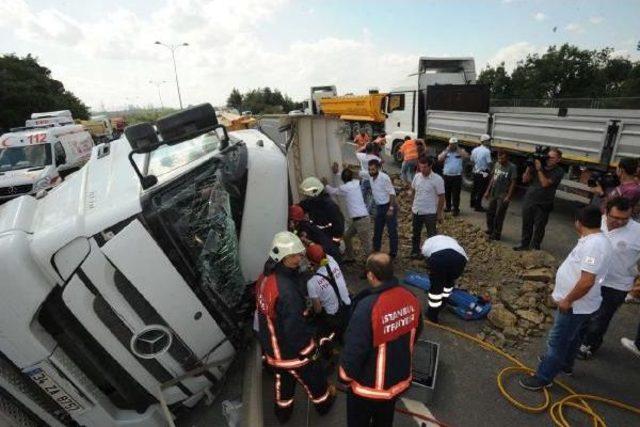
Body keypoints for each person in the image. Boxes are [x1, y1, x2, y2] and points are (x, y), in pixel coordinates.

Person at [519, 206, 612, 391]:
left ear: (578, 222)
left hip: (576, 305)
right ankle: (565, 365)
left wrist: (567, 300)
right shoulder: (594, 240)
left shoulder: (595, 245)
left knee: (557, 341)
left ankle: (543, 377)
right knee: (574, 337)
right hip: (583, 305)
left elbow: (586, 281)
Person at [256, 232, 336, 422]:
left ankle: (283, 414)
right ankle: (324, 404)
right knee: (315, 380)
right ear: (282, 257)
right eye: (295, 255)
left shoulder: (266, 277)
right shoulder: (287, 292)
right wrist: (310, 351)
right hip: (291, 353)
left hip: (273, 349)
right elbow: (294, 330)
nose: (300, 258)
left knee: (284, 384)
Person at [339, 253, 422, 427]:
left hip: (367, 389)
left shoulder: (368, 307)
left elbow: (355, 348)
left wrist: (345, 376)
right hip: (396, 382)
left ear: (370, 275)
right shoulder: (411, 298)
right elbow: (417, 330)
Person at [576, 197, 640, 359]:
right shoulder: (597, 222)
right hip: (591, 279)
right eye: (615, 218)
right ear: (606, 211)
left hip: (617, 285)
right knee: (582, 312)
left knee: (601, 318)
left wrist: (636, 285)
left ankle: (589, 345)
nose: (619, 222)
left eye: (625, 219)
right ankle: (576, 340)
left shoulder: (637, 232)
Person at [514, 148, 564, 251]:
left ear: (558, 159)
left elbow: (545, 184)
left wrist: (539, 169)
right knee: (526, 224)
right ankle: (524, 244)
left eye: (552, 157)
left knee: (539, 228)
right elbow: (524, 179)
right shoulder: (539, 165)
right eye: (548, 156)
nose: (549, 159)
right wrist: (529, 166)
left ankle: (535, 248)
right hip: (530, 199)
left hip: (544, 203)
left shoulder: (559, 171)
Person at [324, 164, 372, 263]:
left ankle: (372, 267)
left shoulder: (344, 188)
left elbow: (332, 191)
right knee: (346, 236)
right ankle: (351, 257)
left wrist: (325, 184)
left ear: (343, 179)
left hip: (360, 220)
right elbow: (350, 175)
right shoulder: (356, 183)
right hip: (360, 219)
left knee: (367, 246)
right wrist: (338, 172)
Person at [306, 244, 351, 344]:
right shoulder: (332, 260)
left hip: (333, 317)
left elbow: (318, 309)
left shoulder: (312, 283)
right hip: (348, 306)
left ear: (311, 262)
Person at [421, 235, 468, 323]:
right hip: (461, 259)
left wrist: (432, 271)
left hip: (440, 258)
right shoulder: (448, 239)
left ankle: (432, 314)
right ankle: (443, 302)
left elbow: (426, 256)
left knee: (436, 288)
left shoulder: (426, 244)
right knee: (449, 282)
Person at [409, 156, 445, 259]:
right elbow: (413, 191)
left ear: (430, 166)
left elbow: (441, 196)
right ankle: (415, 252)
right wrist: (412, 205)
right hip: (417, 211)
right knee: (416, 233)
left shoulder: (438, 179)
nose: (422, 169)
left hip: (430, 212)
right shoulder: (417, 177)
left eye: (425, 167)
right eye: (420, 167)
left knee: (432, 235)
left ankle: (432, 256)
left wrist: (439, 213)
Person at [361, 159, 398, 259]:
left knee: (391, 231)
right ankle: (376, 250)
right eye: (369, 169)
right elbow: (358, 173)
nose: (371, 171)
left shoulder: (384, 178)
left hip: (389, 205)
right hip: (379, 207)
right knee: (377, 230)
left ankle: (393, 253)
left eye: (373, 169)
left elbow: (392, 193)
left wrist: (390, 208)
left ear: (378, 168)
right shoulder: (370, 175)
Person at [484, 150, 518, 241]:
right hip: (494, 193)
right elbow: (493, 178)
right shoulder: (497, 164)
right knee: (490, 212)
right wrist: (487, 191)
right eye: (499, 157)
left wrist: (509, 196)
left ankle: (497, 234)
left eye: (502, 158)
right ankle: (490, 229)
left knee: (499, 215)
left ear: (507, 158)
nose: (500, 159)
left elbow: (513, 183)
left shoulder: (512, 167)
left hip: (503, 194)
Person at [299, 176, 345, 241]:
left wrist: (328, 241)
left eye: (307, 195)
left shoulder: (330, 207)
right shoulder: (313, 202)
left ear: (314, 193)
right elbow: (301, 206)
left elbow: (339, 230)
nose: (305, 197)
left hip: (328, 244)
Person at [437, 137, 469, 216]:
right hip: (447, 175)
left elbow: (467, 157)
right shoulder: (446, 151)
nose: (453, 146)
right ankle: (448, 207)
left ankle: (456, 209)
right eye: (451, 144)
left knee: (456, 194)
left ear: (457, 144)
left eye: (454, 144)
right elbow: (439, 159)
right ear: (449, 144)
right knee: (447, 192)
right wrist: (447, 150)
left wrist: (457, 149)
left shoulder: (461, 151)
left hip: (457, 176)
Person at [356, 143, 382, 213]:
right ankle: (368, 209)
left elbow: (357, 152)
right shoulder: (376, 158)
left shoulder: (361, 156)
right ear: (373, 150)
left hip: (364, 178)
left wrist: (363, 147)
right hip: (373, 179)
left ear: (366, 149)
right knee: (374, 195)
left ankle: (360, 208)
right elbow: (381, 164)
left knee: (362, 194)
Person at [469, 134, 493, 212]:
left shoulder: (475, 150)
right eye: (489, 141)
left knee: (474, 188)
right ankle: (478, 206)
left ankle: (472, 203)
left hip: (476, 170)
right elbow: (489, 163)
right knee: (481, 189)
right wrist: (490, 171)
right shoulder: (487, 151)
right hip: (483, 172)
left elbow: (472, 160)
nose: (490, 142)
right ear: (485, 141)